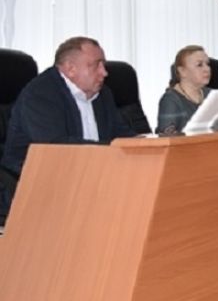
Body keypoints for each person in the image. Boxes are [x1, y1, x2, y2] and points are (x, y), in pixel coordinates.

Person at [1, 37, 134, 223]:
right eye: (96, 65)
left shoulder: (103, 94)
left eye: (103, 65)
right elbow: (57, 147)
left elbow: (121, 133)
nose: (104, 72)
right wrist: (113, 150)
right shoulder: (41, 93)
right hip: (37, 185)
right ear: (71, 69)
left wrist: (144, 143)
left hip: (89, 176)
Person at [157, 45, 212, 134]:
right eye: (199, 65)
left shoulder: (211, 95)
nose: (207, 69)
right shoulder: (170, 100)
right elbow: (167, 138)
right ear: (182, 71)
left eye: (207, 64)